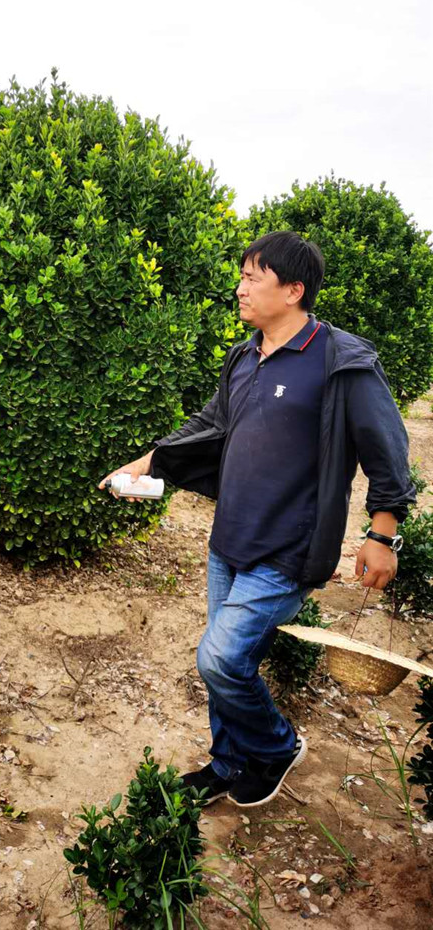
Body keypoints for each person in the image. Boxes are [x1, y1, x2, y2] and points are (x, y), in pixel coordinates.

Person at [99, 231, 415, 808]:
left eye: (253, 277)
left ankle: (274, 747)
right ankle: (228, 763)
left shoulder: (340, 361)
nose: (239, 287)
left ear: (293, 290)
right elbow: (212, 424)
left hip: (290, 548)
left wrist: (382, 533)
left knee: (217, 658)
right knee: (231, 661)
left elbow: (387, 448)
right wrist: (148, 463)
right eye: (242, 275)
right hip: (232, 539)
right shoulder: (245, 357)